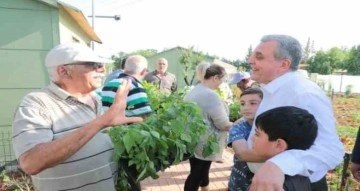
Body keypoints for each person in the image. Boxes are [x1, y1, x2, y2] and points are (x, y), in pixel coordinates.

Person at [12, 43, 143, 191]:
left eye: (101, 64)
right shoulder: (36, 103)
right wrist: (102, 122)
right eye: (93, 65)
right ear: (64, 71)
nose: (102, 69)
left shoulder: (95, 99)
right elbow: (31, 163)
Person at [246, 34, 344, 191]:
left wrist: (278, 164)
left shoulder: (304, 93)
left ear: (284, 64)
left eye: (259, 57)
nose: (250, 60)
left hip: (296, 185)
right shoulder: (276, 90)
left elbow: (330, 150)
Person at [101, 55, 152, 191]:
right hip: (126, 141)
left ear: (125, 68)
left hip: (107, 138)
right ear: (143, 71)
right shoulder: (135, 86)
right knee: (132, 180)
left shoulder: (109, 84)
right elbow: (145, 118)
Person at [183, 62, 233, 191]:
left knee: (200, 171)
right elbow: (222, 124)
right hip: (205, 142)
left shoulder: (195, 90)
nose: (221, 83)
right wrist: (239, 123)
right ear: (215, 77)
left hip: (194, 139)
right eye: (222, 79)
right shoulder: (210, 95)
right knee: (196, 175)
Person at [250, 106, 318, 191]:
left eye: (257, 134)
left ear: (279, 145)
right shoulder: (299, 177)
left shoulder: (271, 183)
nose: (252, 138)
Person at [228, 88, 263, 191]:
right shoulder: (238, 126)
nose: (246, 108)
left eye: (253, 103)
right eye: (242, 104)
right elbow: (242, 154)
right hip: (239, 183)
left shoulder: (271, 126)